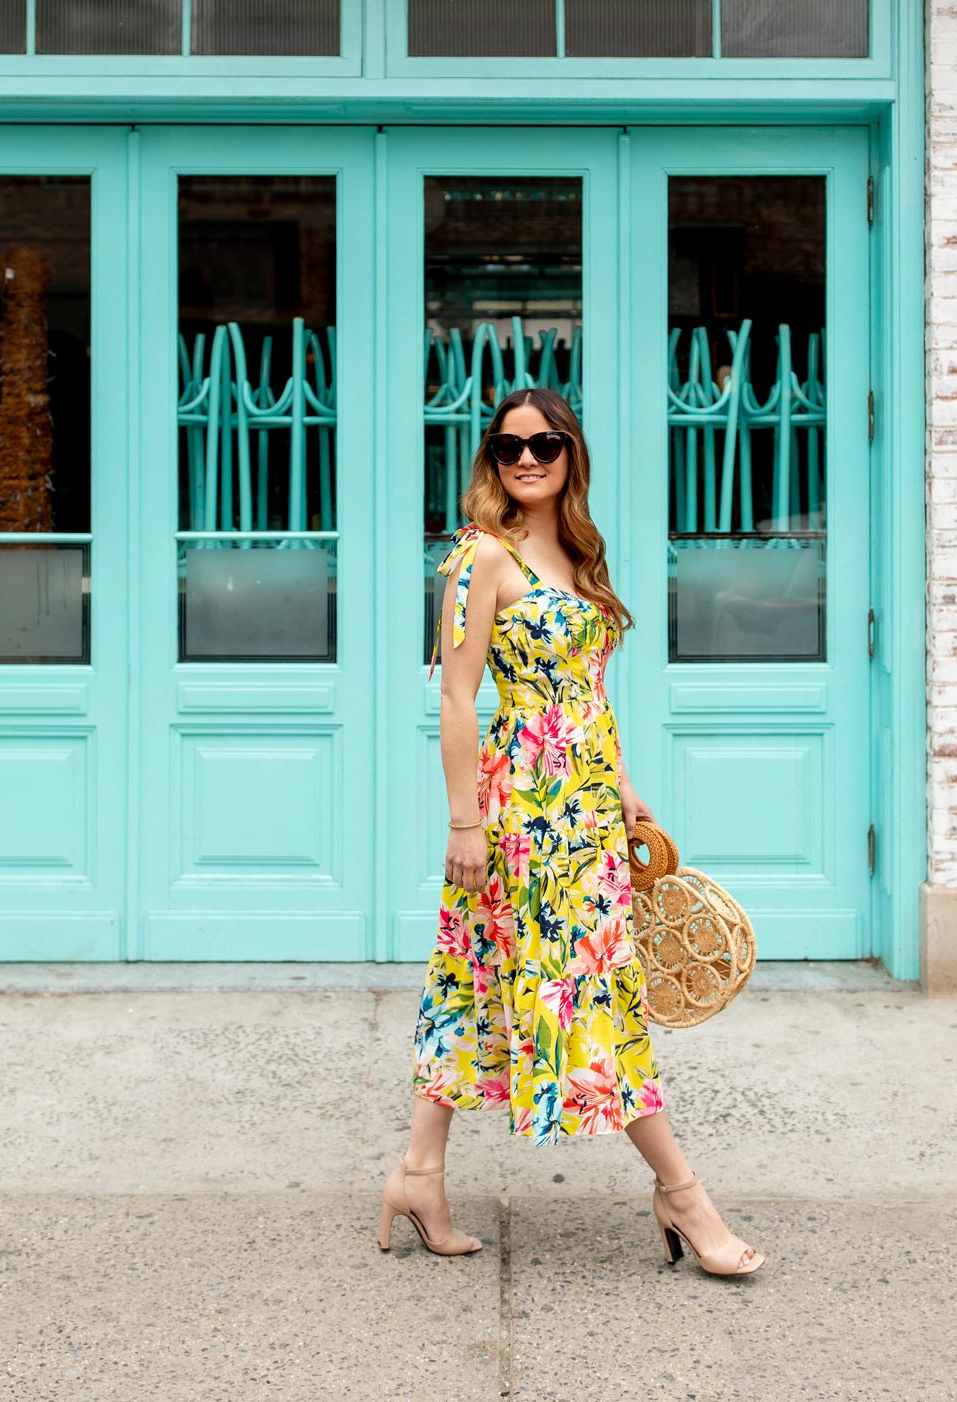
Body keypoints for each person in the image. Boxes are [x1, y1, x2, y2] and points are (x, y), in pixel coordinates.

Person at [377, 386, 764, 1278]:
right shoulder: (481, 556)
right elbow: (457, 694)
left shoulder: (578, 553)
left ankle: (417, 1173)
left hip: (586, 805)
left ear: (570, 454)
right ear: (492, 458)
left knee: (473, 979)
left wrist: (625, 791)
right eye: (509, 446)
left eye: (544, 444)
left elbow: (587, 697)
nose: (526, 459)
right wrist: (465, 820)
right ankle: (683, 1194)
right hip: (522, 814)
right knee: (585, 992)